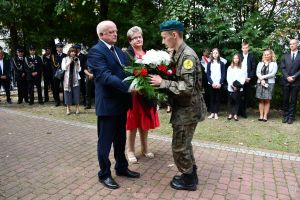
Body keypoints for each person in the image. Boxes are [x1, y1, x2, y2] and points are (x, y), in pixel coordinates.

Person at [149, 20, 206, 191]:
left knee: (179, 146)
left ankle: (188, 180)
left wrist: (162, 82)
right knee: (185, 143)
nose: (163, 41)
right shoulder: (180, 53)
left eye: (164, 37)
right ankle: (191, 174)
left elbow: (187, 87)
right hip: (185, 108)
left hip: (188, 109)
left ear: (174, 35)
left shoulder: (187, 56)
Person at [87, 20, 140, 190]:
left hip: (121, 103)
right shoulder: (96, 52)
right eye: (111, 32)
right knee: (105, 142)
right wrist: (129, 86)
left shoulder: (119, 51)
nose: (115, 34)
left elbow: (127, 71)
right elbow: (104, 76)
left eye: (116, 31)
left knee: (120, 139)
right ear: (101, 35)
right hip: (108, 105)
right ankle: (104, 174)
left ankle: (122, 168)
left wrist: (140, 78)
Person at [124, 26, 160, 163]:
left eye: (140, 37)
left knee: (144, 122)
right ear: (130, 41)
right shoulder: (127, 54)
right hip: (133, 95)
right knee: (132, 124)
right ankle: (130, 151)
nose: (138, 39)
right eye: (135, 38)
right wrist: (136, 87)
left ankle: (145, 149)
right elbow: (126, 73)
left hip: (147, 93)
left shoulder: (148, 54)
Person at [255, 49, 278, 122]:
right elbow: (257, 72)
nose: (266, 56)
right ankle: (261, 115)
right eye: (265, 54)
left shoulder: (274, 64)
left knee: (267, 100)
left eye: (268, 54)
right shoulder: (260, 63)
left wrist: (263, 77)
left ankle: (265, 116)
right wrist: (261, 80)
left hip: (269, 83)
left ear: (271, 55)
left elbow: (273, 73)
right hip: (260, 83)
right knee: (261, 100)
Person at [281, 39, 300, 124]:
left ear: (297, 44)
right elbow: (283, 68)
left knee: (293, 100)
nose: (291, 45)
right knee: (285, 99)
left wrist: (294, 76)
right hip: (286, 81)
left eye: (293, 44)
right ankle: (285, 116)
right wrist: (287, 77)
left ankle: (291, 117)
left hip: (296, 81)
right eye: (290, 44)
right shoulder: (285, 55)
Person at [206, 48, 226, 119]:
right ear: (212, 54)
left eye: (216, 53)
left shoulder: (222, 64)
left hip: (219, 84)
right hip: (211, 84)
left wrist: (220, 83)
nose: (215, 54)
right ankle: (212, 113)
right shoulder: (209, 64)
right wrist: (212, 83)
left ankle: (216, 113)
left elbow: (223, 74)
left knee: (217, 98)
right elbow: (208, 74)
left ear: (218, 54)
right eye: (214, 53)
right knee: (211, 98)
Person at [61, 46, 81, 115]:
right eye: (72, 51)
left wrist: (77, 64)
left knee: (76, 93)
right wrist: (70, 62)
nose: (73, 53)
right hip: (67, 78)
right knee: (67, 93)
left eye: (74, 52)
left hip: (75, 78)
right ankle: (68, 108)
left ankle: (77, 108)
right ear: (69, 52)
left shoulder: (77, 59)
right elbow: (63, 68)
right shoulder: (65, 59)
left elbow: (79, 70)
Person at [239, 41, 256, 118]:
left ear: (248, 48)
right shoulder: (239, 56)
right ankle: (238, 110)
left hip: (248, 79)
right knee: (239, 95)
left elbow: (253, 68)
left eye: (246, 48)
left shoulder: (252, 56)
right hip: (240, 79)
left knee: (246, 96)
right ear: (241, 48)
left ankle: (244, 111)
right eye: (243, 48)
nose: (245, 49)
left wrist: (250, 77)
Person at [226, 54, 246, 121]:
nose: (236, 59)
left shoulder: (242, 68)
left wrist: (238, 86)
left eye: (237, 58)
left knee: (237, 101)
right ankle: (230, 113)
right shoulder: (229, 68)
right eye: (234, 58)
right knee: (230, 101)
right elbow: (228, 77)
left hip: (238, 87)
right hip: (231, 87)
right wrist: (232, 85)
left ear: (239, 59)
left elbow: (243, 78)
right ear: (233, 59)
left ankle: (235, 114)